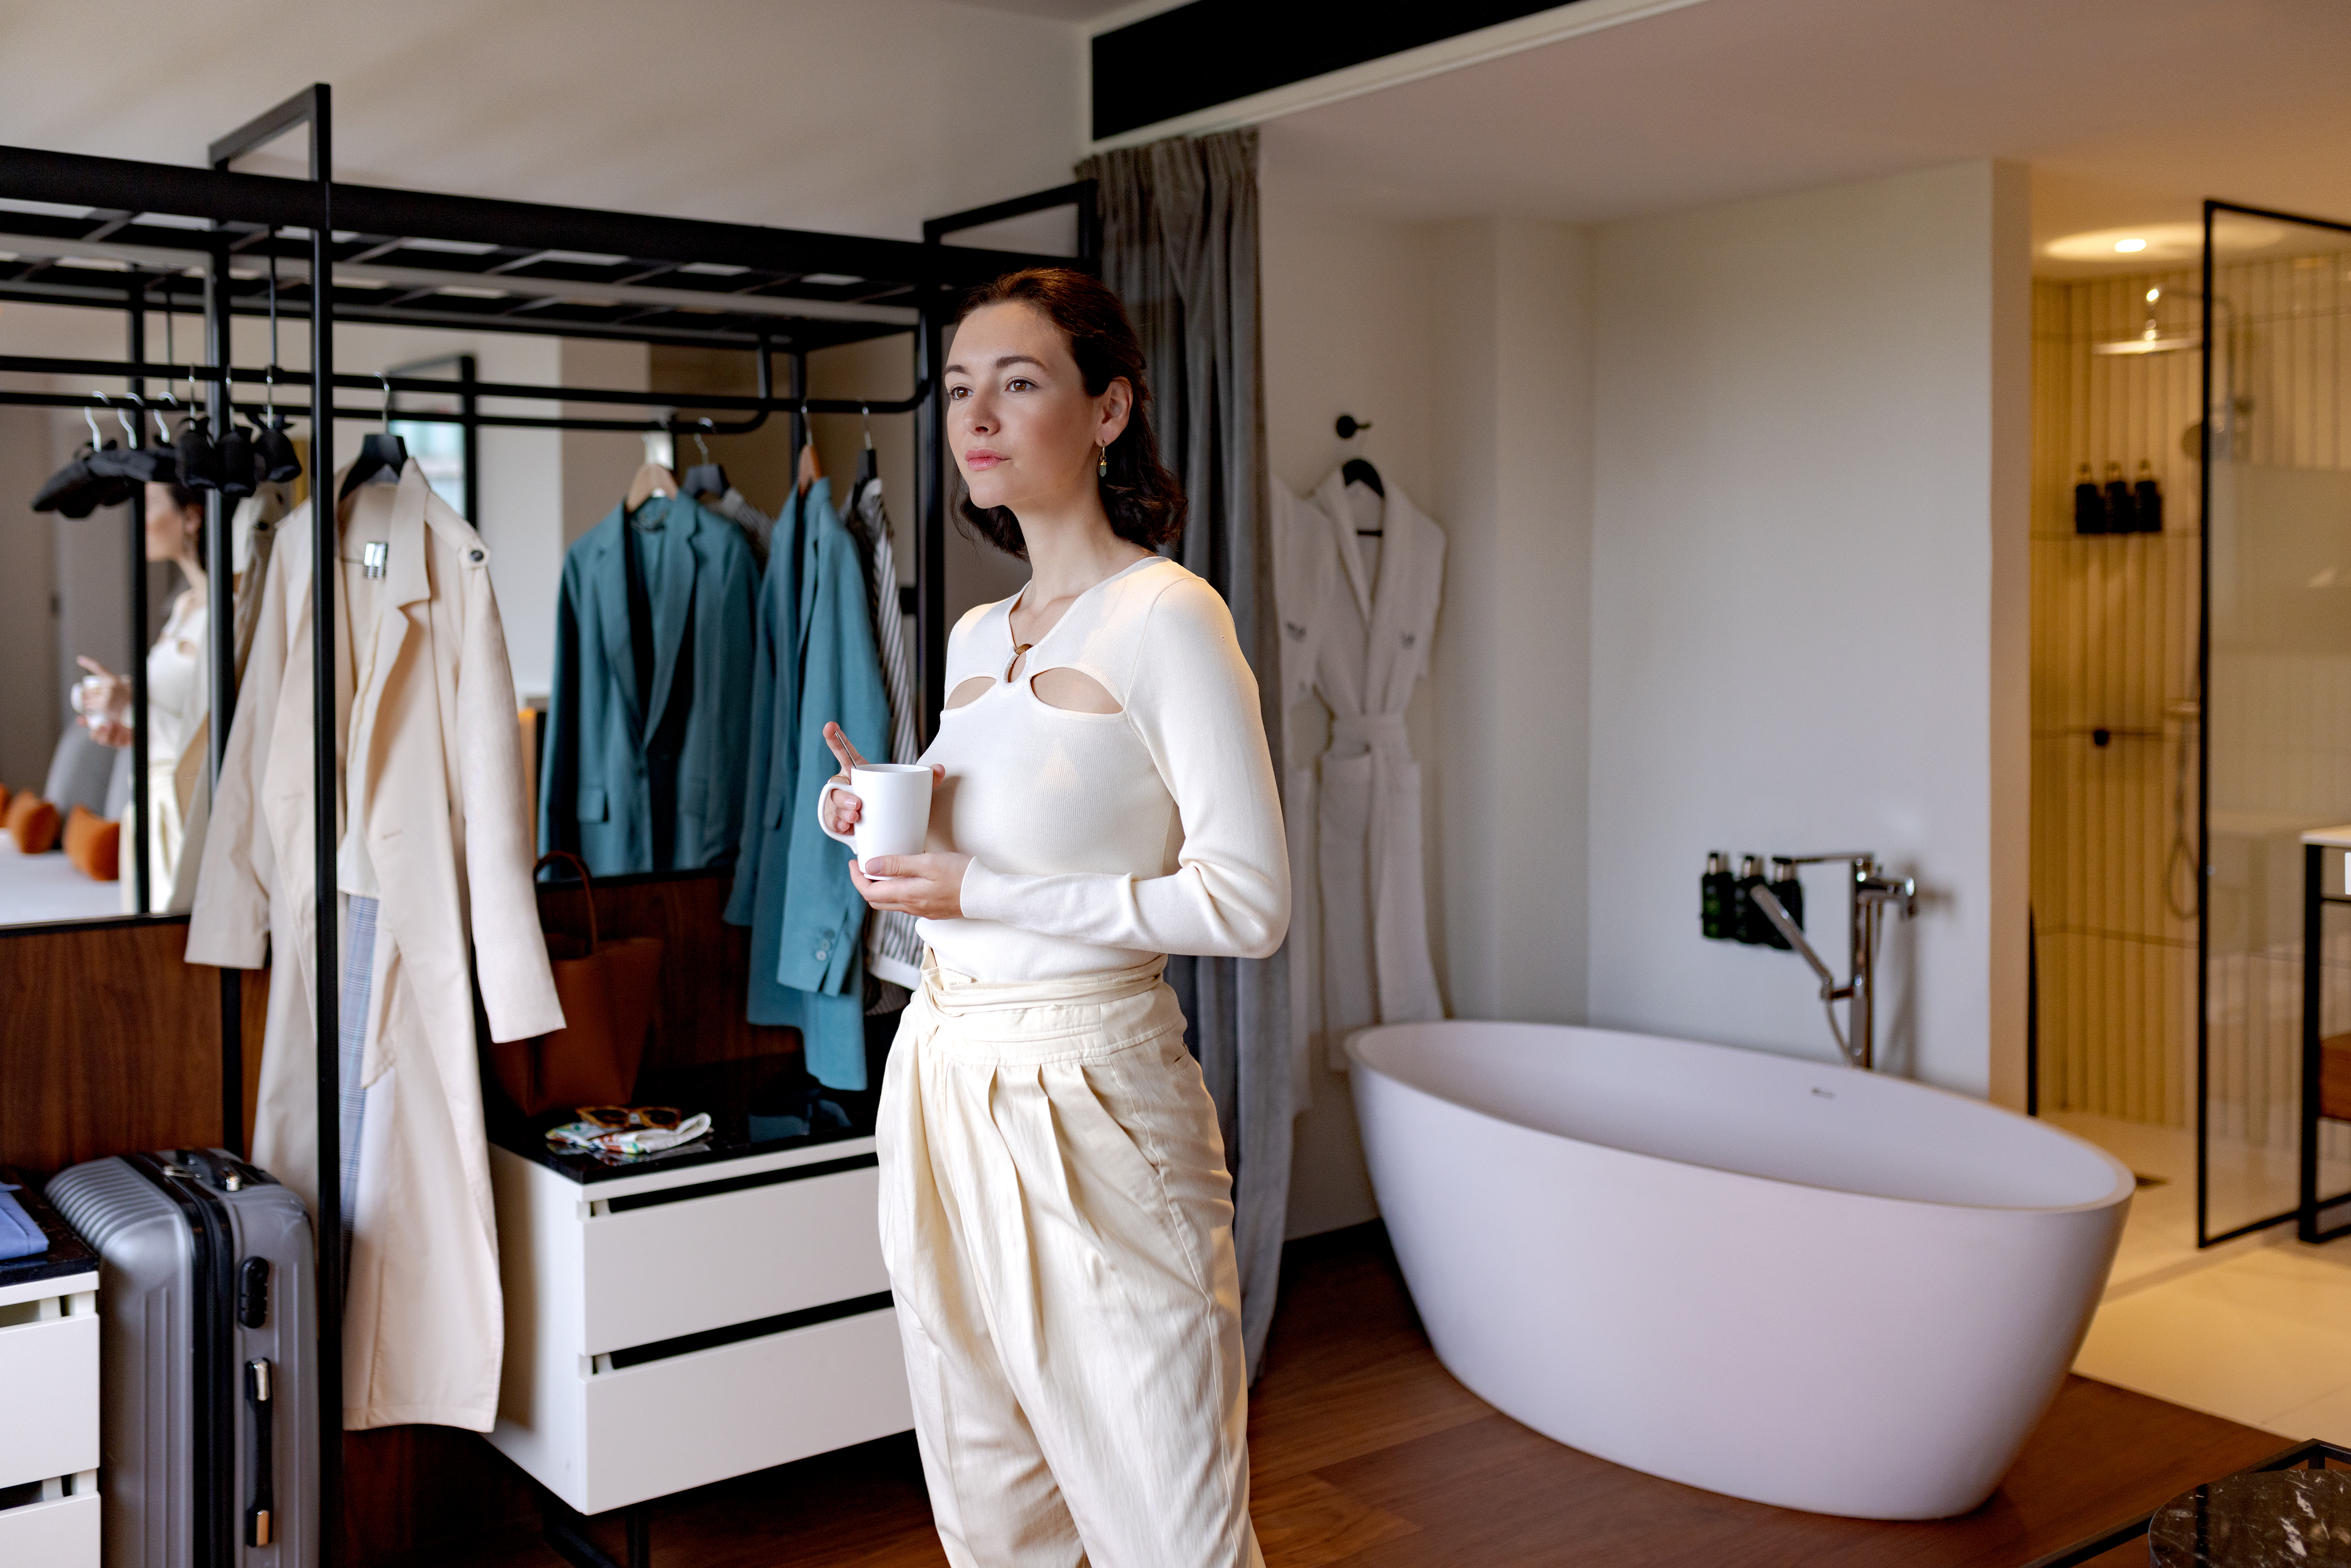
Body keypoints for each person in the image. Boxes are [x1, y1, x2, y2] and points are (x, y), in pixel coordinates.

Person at [819, 268, 1288, 1568]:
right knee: (992, 1504)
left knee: (1166, 1522)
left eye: (1018, 383)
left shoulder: (1169, 615)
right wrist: (875, 820)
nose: (978, 414)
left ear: (1108, 409)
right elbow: (996, 840)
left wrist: (984, 888)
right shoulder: (976, 634)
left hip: (1092, 1086)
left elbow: (1248, 901)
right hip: (943, 1073)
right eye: (961, 388)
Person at [74, 478, 209, 908]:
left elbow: (216, 731)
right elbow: (171, 711)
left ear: (191, 516)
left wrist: (131, 708)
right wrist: (126, 725)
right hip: (153, 805)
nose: (138, 518)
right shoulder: (186, 606)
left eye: (149, 505)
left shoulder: (232, 613)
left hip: (189, 810)